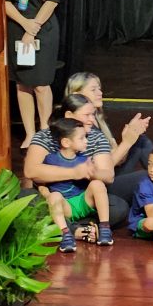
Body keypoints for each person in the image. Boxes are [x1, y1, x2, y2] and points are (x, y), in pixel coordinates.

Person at [24, 94, 130, 234]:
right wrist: (74, 172)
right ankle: (77, 229)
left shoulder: (96, 137)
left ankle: (68, 227)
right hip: (55, 199)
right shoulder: (45, 136)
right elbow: (31, 171)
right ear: (69, 115)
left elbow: (108, 175)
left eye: (93, 115)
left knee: (118, 207)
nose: (92, 120)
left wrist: (91, 172)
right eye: (87, 115)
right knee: (25, 200)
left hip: (83, 200)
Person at [1, 0, 66, 148]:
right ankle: (30, 133)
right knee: (22, 83)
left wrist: (34, 26)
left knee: (40, 83)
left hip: (44, 30)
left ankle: (44, 131)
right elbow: (5, 1)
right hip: (18, 29)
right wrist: (24, 24)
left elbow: (53, 0)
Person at [65, 72, 153, 202]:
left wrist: (130, 136)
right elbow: (102, 170)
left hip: (111, 174)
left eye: (99, 88)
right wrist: (126, 143)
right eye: (93, 89)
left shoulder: (97, 120)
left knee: (141, 141)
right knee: (149, 175)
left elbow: (117, 160)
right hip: (97, 185)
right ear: (76, 94)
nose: (100, 93)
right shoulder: (80, 127)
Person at [41, 118, 113, 252]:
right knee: (55, 196)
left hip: (82, 201)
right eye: (81, 138)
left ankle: (104, 228)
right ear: (66, 142)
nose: (86, 141)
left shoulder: (85, 159)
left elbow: (97, 177)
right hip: (65, 205)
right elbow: (41, 183)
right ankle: (66, 235)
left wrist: (92, 172)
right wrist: (47, 195)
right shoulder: (50, 159)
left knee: (97, 184)